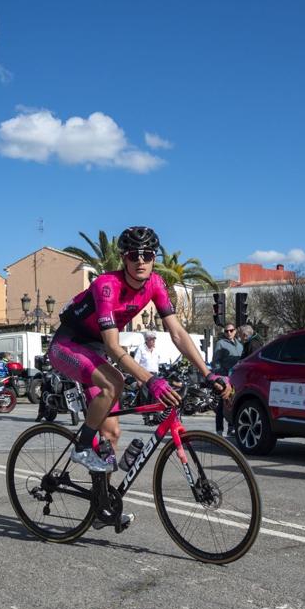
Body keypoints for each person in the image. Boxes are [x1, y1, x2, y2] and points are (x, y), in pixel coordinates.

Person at [48, 226, 229, 529]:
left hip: (94, 350)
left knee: (111, 434)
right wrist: (150, 380)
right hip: (68, 345)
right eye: (134, 255)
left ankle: (101, 507)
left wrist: (208, 372)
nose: (141, 260)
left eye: (148, 254)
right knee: (114, 382)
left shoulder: (156, 284)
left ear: (154, 257)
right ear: (124, 258)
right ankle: (81, 446)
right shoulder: (107, 286)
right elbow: (112, 345)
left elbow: (177, 333)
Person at [211, 322, 243, 439]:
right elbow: (216, 361)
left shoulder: (240, 345)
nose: (229, 333)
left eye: (231, 330)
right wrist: (220, 377)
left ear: (235, 331)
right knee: (220, 404)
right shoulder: (220, 343)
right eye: (226, 331)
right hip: (223, 378)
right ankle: (219, 430)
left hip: (235, 379)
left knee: (232, 403)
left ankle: (231, 428)